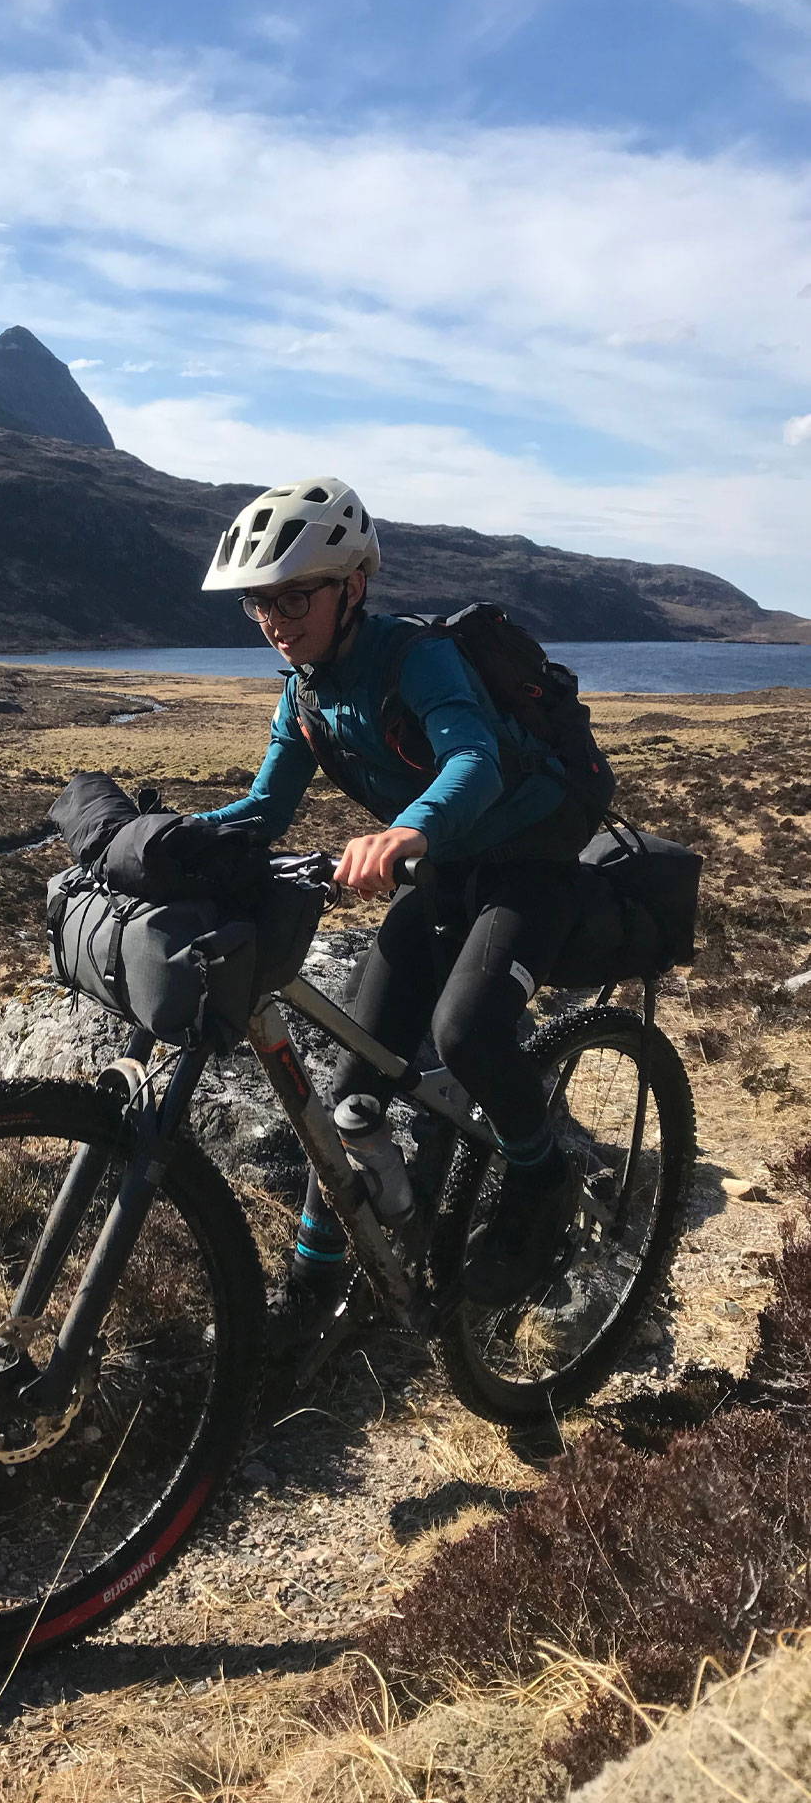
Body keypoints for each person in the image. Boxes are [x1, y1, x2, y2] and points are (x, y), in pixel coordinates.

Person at [196, 476, 599, 1307]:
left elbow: (473, 759)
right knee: (349, 1089)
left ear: (352, 586)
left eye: (293, 596)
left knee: (467, 1034)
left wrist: (405, 830)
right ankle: (315, 1284)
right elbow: (263, 809)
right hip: (443, 868)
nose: (273, 619)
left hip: (530, 855)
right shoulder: (303, 693)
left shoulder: (416, 657)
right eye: (257, 604)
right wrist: (160, 840)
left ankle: (541, 1180)